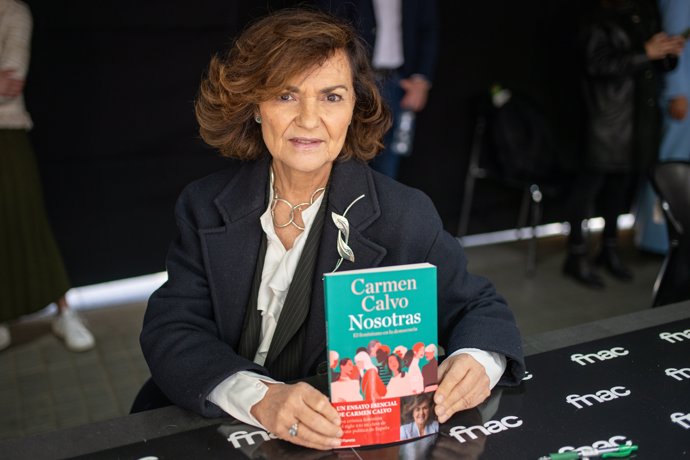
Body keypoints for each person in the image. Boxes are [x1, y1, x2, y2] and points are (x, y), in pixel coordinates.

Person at [139, 9, 524, 451]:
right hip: (210, 424)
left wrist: (477, 360)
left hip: (340, 443)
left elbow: (480, 308)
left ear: (354, 109)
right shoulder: (205, 204)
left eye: (331, 97)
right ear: (255, 107)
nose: (308, 118)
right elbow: (171, 328)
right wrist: (259, 397)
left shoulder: (404, 214)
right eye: (286, 95)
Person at [562, 0, 685, 289]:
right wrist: (646, 52)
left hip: (637, 119)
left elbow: (652, 60)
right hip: (605, 120)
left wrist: (667, 52)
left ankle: (609, 248)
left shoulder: (640, 12)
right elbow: (598, 64)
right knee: (588, 187)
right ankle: (576, 254)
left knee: (620, 187)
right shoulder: (593, 18)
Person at [0, 0, 94, 352]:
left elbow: (9, 83)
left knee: (26, 219)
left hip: (7, 133)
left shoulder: (12, 11)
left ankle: (64, 312)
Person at [318, 0, 439, 180]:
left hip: (396, 82)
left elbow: (428, 30)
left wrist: (420, 81)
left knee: (386, 159)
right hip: (353, 78)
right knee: (341, 151)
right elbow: (329, 22)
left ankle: (378, 208)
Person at [635, 0, 690, 254]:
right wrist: (676, 92)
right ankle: (657, 239)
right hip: (684, 98)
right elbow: (672, 42)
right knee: (670, 169)